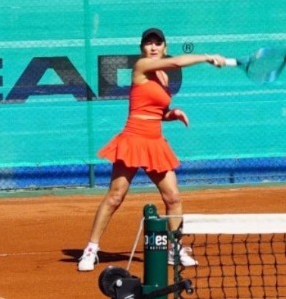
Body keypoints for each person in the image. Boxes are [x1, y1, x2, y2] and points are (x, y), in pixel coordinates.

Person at [77, 27, 227, 272]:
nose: (153, 47)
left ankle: (174, 249)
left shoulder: (163, 78)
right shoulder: (142, 67)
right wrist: (207, 56)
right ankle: (91, 249)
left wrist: (171, 114)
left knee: (173, 197)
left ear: (164, 47)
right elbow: (178, 62)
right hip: (133, 140)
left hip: (155, 142)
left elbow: (152, 110)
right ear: (142, 49)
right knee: (115, 196)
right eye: (149, 43)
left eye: (158, 43)